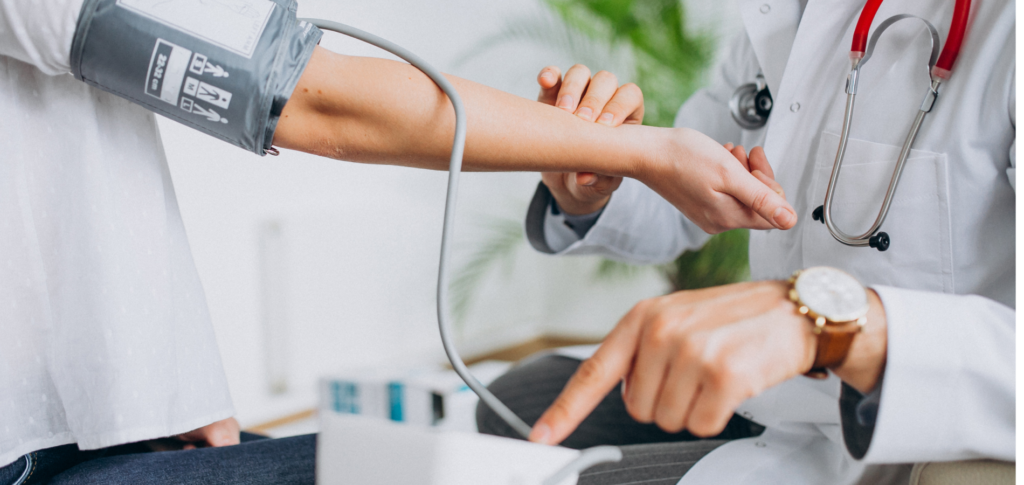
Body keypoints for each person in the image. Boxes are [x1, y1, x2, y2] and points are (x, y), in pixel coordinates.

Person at [0, 0, 794, 483]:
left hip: (84, 419)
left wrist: (161, 389)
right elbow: (313, 100)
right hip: (33, 448)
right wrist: (621, 154)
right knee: (489, 432)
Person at [479, 1, 1016, 484]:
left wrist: (835, 327)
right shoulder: (787, 14)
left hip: (904, 409)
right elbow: (686, 199)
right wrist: (592, 184)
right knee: (509, 403)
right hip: (780, 387)